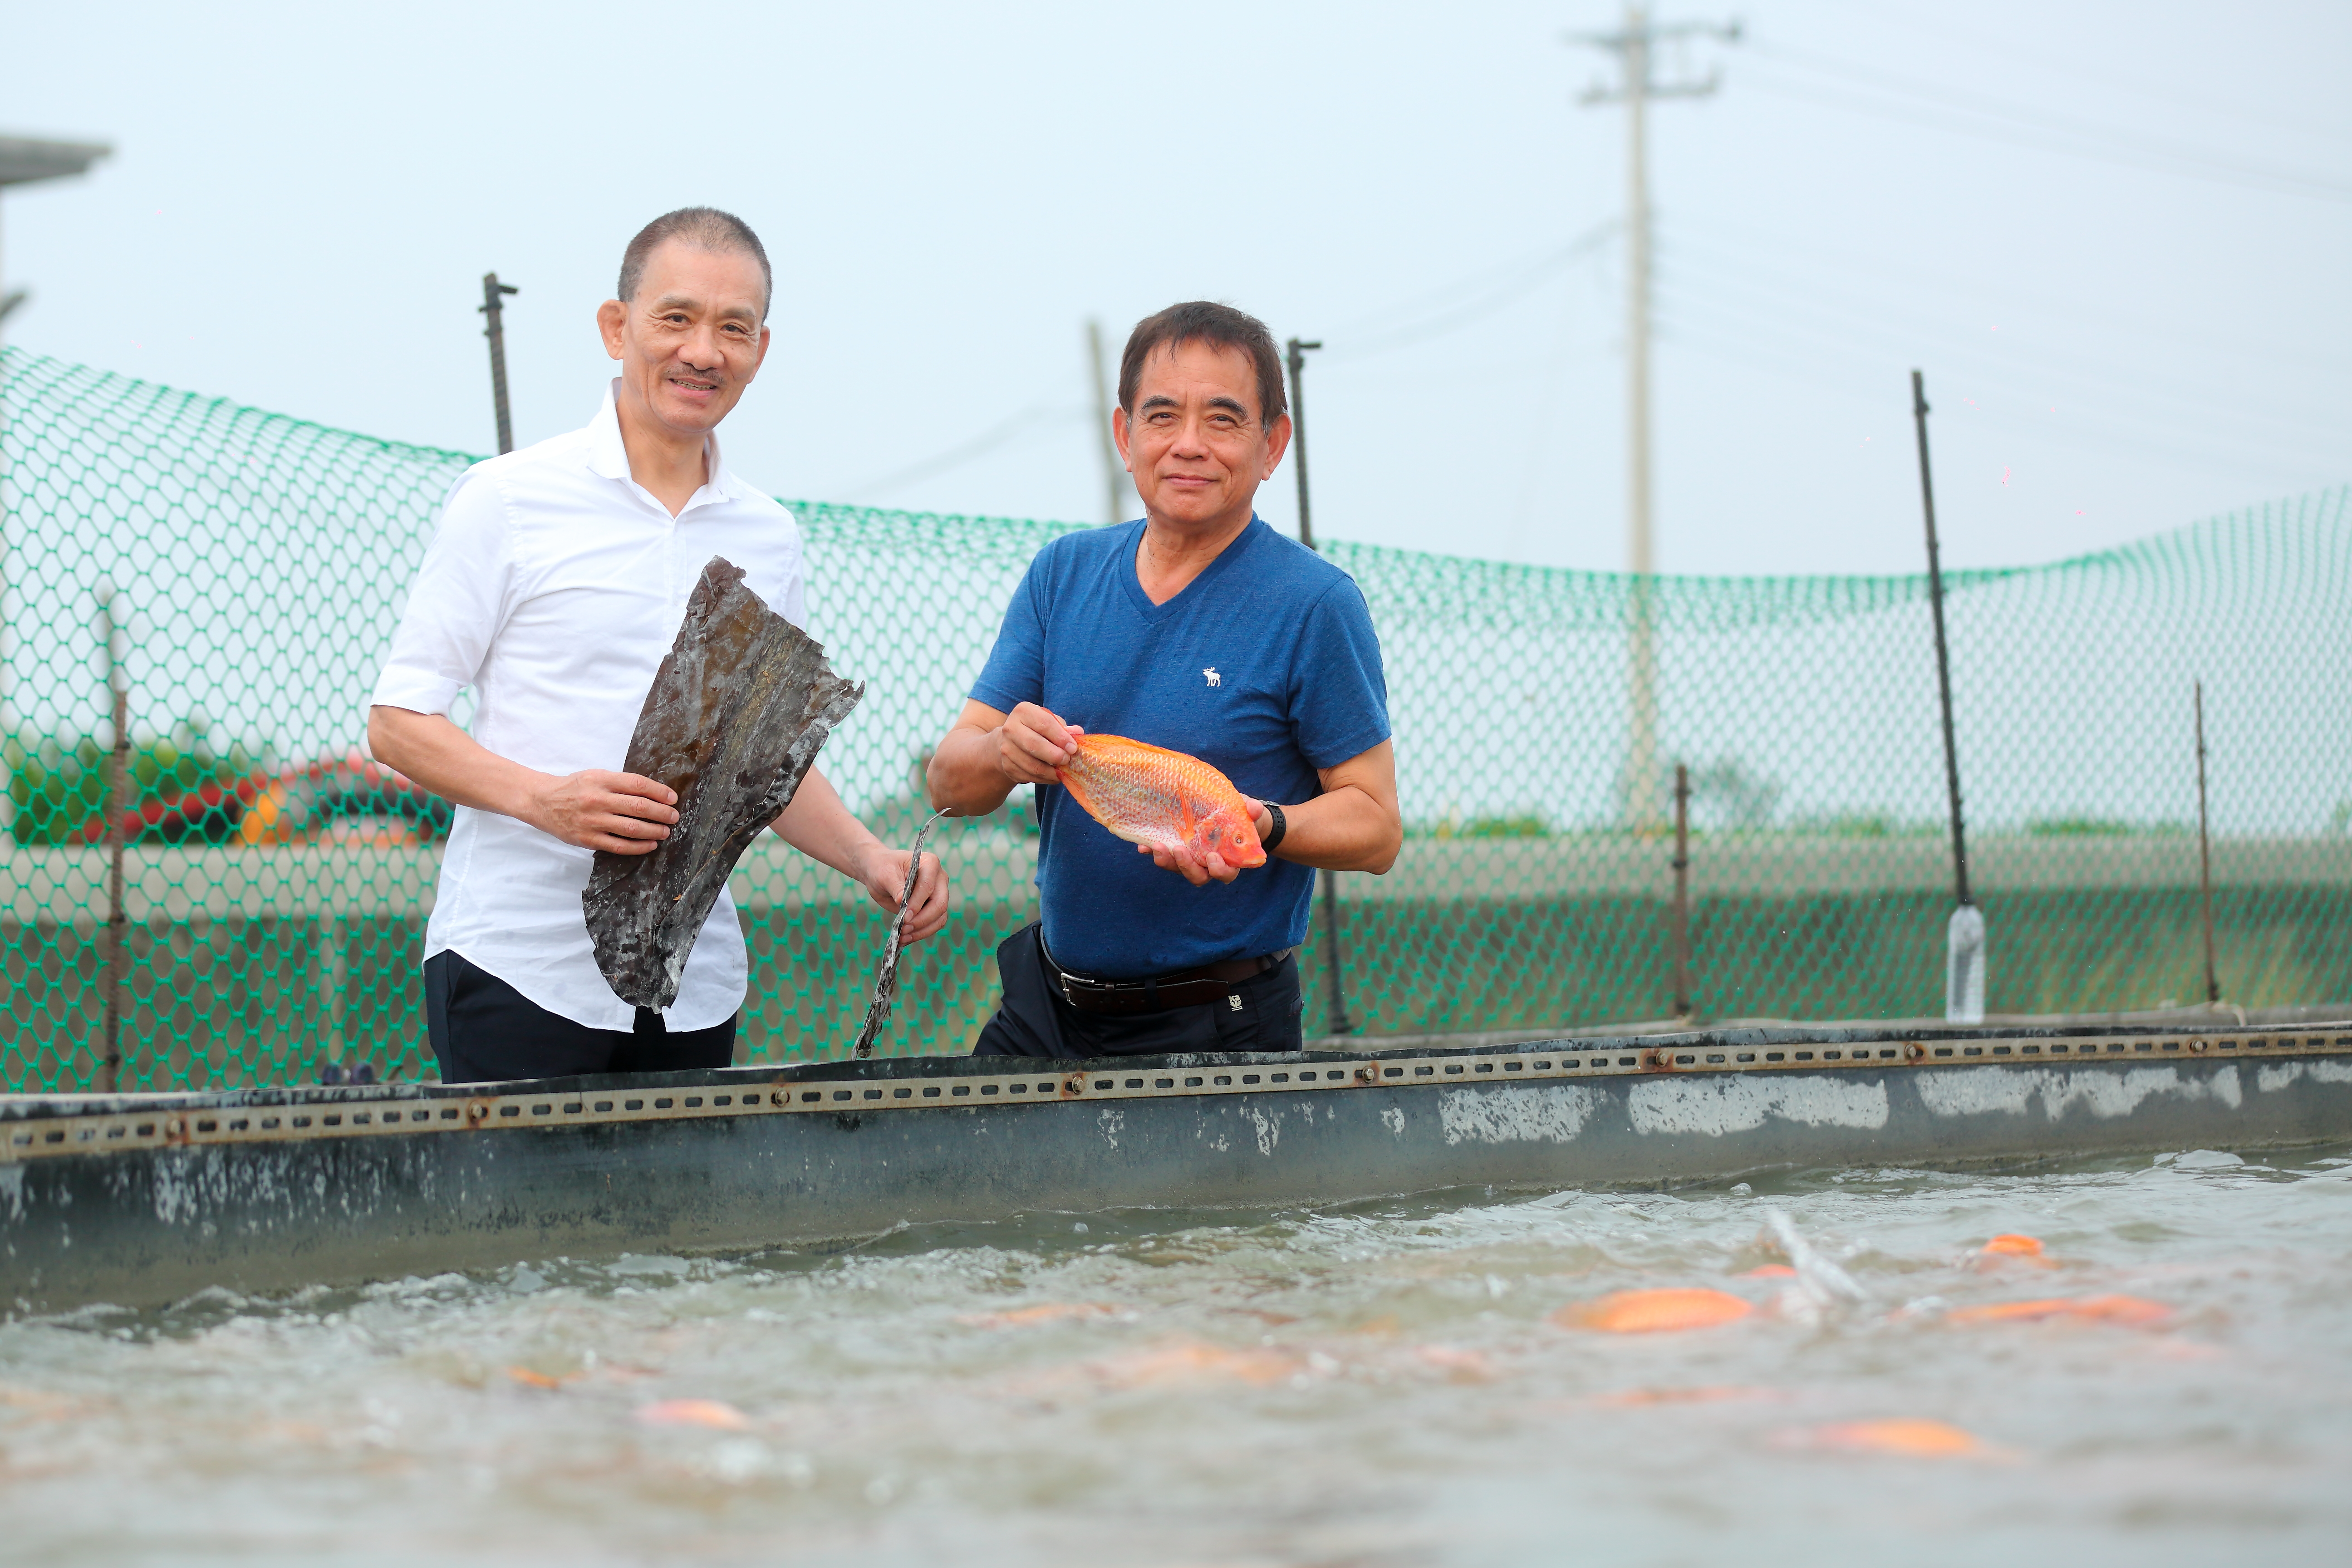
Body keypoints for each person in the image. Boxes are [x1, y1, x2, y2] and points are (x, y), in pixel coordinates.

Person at [369, 207, 947, 1085]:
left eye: (733, 328)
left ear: (760, 349)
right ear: (617, 328)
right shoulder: (507, 499)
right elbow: (398, 723)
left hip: (691, 981)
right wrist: (543, 801)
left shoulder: (769, 534)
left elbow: (761, 765)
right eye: (675, 318)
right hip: (518, 967)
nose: (703, 351)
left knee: (680, 1186)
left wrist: (871, 856)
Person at [926, 301, 1400, 1058]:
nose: (1188, 445)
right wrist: (1002, 752)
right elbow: (950, 784)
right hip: (1049, 1008)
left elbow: (1376, 828)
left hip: (1222, 1022)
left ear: (1273, 444)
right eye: (1162, 416)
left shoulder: (1315, 604)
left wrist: (1261, 825)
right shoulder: (1062, 574)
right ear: (1125, 436)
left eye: (1223, 420)